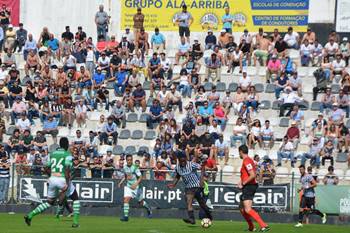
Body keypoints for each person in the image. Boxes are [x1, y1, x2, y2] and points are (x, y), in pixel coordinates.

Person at [24, 137, 80, 228]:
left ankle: (30, 215)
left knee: (49, 202)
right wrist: (66, 182)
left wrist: (50, 177)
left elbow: (46, 168)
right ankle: (75, 222)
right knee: (75, 199)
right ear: (67, 145)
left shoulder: (52, 154)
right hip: (62, 179)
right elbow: (66, 169)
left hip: (53, 179)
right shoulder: (68, 155)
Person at [167, 153, 212, 224]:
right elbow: (178, 176)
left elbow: (202, 167)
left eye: (184, 161)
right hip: (188, 188)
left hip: (197, 186)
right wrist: (173, 184)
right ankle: (192, 219)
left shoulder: (191, 164)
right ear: (179, 160)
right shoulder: (177, 167)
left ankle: (209, 215)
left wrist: (201, 180)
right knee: (189, 201)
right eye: (181, 161)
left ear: (186, 159)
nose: (183, 162)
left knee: (202, 204)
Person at [238, 145, 269, 232]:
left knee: (247, 209)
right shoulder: (248, 160)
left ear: (240, 151)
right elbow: (248, 175)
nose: (239, 154)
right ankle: (251, 227)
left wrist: (243, 183)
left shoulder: (247, 161)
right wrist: (241, 181)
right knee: (241, 208)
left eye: (239, 152)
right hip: (248, 185)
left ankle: (264, 225)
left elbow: (252, 175)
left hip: (249, 186)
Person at [119, 154, 152, 221]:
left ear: (132, 160)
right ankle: (126, 217)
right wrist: (121, 182)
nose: (129, 161)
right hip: (128, 186)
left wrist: (136, 184)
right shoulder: (125, 167)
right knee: (126, 199)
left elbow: (140, 177)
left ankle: (148, 208)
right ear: (126, 160)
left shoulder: (135, 168)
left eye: (130, 160)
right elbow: (126, 176)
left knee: (141, 202)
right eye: (128, 160)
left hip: (135, 188)